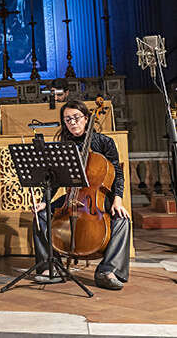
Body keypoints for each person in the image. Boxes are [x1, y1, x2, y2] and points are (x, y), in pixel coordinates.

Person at [32, 100, 130, 290]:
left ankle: (107, 270)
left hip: (97, 197)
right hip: (71, 196)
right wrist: (46, 202)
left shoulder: (103, 142)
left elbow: (117, 172)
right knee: (39, 216)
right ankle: (52, 268)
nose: (72, 122)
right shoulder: (63, 145)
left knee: (122, 220)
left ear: (86, 118)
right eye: (67, 119)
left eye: (76, 118)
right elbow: (55, 178)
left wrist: (118, 199)